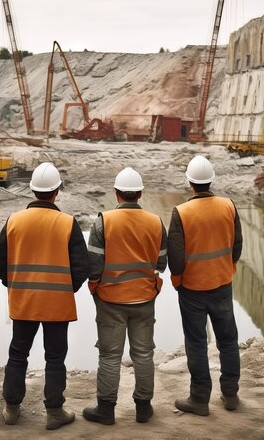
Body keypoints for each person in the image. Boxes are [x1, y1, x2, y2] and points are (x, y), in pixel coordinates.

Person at [0, 162, 89, 430]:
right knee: (55, 357)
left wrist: (15, 283)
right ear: (57, 191)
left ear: (32, 190)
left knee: (18, 354)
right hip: (57, 304)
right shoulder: (68, 223)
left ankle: (11, 408)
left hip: (24, 302)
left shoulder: (14, 220)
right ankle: (54, 412)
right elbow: (82, 267)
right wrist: (66, 289)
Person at [83, 167, 167, 425]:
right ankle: (143, 408)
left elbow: (94, 265)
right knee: (143, 354)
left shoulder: (103, 221)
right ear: (140, 193)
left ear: (117, 193)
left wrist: (96, 286)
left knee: (109, 355)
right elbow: (161, 263)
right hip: (144, 299)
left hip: (110, 300)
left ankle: (106, 410)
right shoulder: (156, 222)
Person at [167, 155, 243, 415]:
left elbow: (175, 257)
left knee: (197, 342)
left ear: (190, 182)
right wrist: (228, 268)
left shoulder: (181, 212)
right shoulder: (228, 206)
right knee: (228, 340)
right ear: (211, 181)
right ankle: (230, 394)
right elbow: (237, 246)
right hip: (222, 284)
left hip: (192, 289)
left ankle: (199, 400)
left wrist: (177, 281)